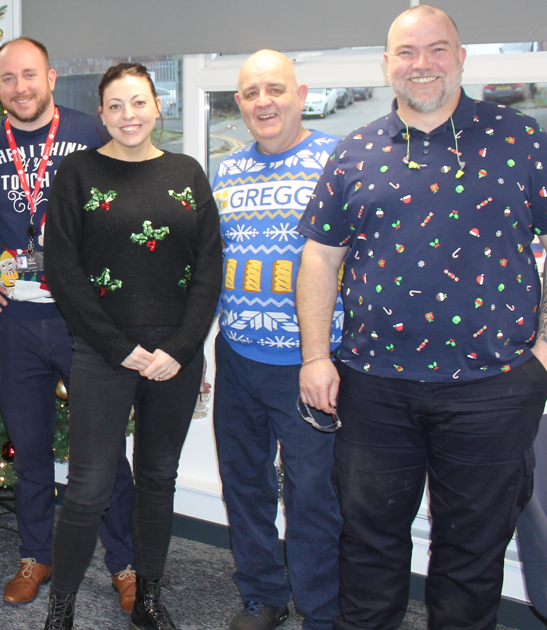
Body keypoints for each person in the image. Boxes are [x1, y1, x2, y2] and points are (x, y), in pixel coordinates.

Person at [296, 6, 547, 629]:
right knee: (368, 552)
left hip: (493, 389)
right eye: (406, 52)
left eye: (436, 49)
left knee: (471, 560)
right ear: (386, 64)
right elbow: (319, 258)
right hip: (373, 390)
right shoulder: (355, 149)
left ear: (460, 57)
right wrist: (317, 356)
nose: (421, 64)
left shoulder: (520, 139)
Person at [0, 36, 139, 610]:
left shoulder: (92, 132)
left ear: (51, 77)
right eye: (8, 79)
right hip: (16, 323)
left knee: (103, 450)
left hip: (86, 320)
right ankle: (35, 556)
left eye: (30, 75)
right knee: (28, 449)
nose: (20, 87)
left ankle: (124, 564)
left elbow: (133, 204)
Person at [44, 63, 223, 630]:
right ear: (102, 113)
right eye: (116, 105)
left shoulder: (188, 173)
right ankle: (63, 605)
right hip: (103, 351)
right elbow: (64, 271)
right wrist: (120, 347)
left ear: (157, 107)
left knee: (157, 479)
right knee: (89, 486)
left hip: (176, 353)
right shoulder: (77, 172)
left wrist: (181, 347)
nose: (128, 115)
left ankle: (147, 598)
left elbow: (209, 268)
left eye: (139, 103)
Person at [210, 51, 342, 630]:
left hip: (309, 364)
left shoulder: (337, 159)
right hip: (237, 354)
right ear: (238, 103)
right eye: (250, 92)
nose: (263, 101)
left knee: (313, 499)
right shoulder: (226, 170)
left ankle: (320, 612)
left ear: (301, 93)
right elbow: (212, 261)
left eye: (275, 89)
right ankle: (263, 594)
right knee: (244, 485)